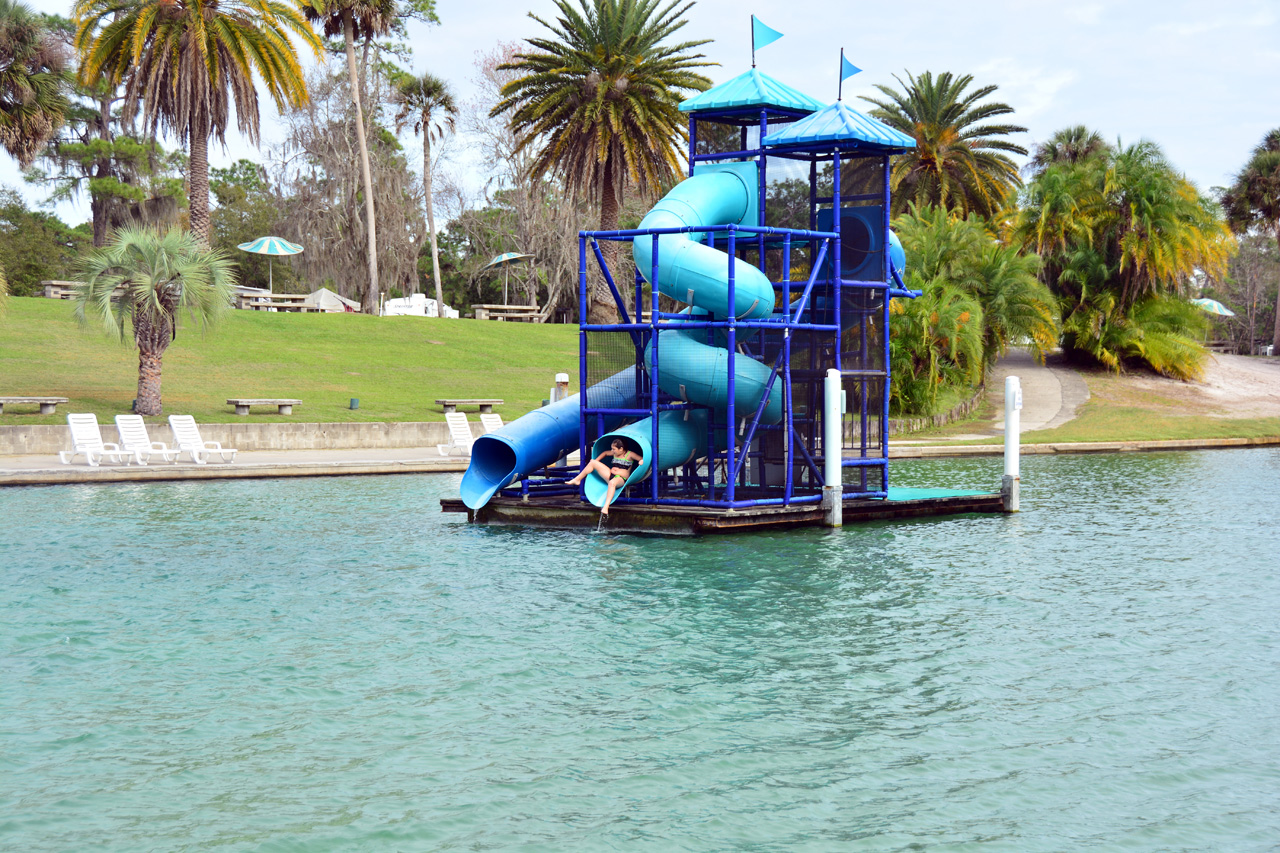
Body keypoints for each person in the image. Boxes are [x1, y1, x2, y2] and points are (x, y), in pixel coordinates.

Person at [566, 438, 643, 515]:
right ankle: (577, 479)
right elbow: (605, 453)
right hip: (610, 475)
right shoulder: (615, 453)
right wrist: (596, 460)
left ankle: (606, 506)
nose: (612, 451)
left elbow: (641, 458)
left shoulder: (630, 454)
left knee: (612, 483)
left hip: (621, 479)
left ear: (621, 449)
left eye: (614, 449)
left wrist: (641, 461)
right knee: (593, 462)